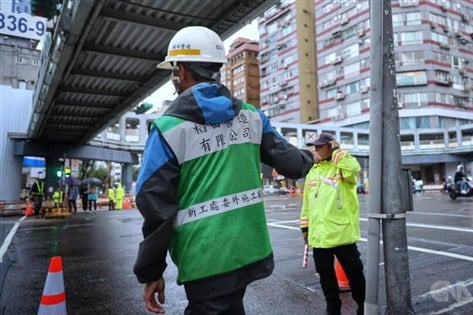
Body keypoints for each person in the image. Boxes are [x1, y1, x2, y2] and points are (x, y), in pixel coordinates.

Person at [133, 26, 314, 315]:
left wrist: (150, 271)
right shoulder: (252, 117)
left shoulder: (168, 129)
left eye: (173, 71)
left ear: (180, 70)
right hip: (248, 249)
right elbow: (293, 164)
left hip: (205, 258)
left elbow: (153, 203)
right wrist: (311, 156)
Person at [300, 133, 365, 315]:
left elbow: (353, 169)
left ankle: (362, 305)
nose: (316, 150)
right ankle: (333, 307)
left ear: (331, 146)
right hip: (319, 236)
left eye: (320, 146)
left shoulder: (342, 165)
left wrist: (338, 151)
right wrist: (304, 227)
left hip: (341, 233)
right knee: (326, 276)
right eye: (314, 146)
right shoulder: (313, 170)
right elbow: (307, 202)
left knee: (355, 274)